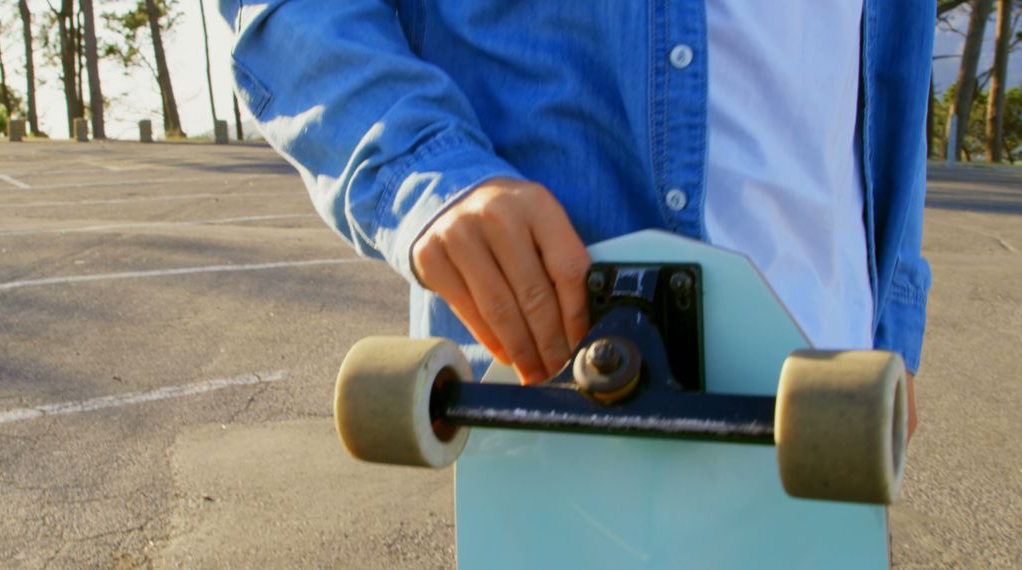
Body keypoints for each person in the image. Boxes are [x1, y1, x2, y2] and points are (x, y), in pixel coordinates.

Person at [220, 1, 931, 437]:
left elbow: (884, 81)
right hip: (557, 397)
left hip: (831, 384)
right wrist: (424, 170)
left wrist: (887, 331)